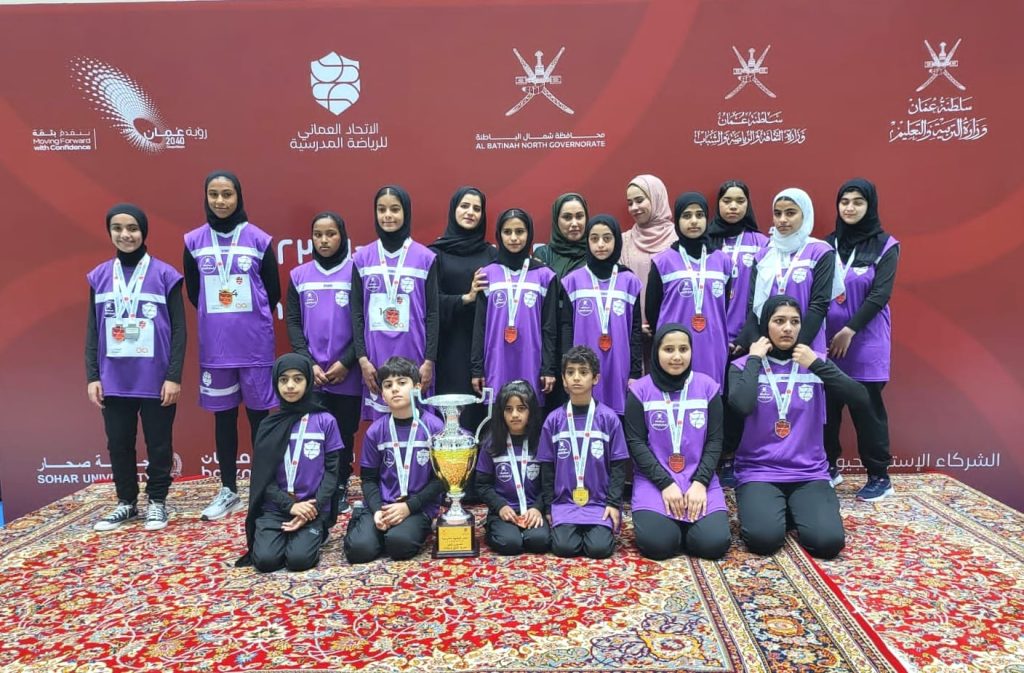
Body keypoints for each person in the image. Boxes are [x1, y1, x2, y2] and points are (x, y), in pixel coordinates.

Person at [728, 296, 869, 559]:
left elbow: (860, 399)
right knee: (763, 540)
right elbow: (741, 406)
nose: (788, 328)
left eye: (794, 322)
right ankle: (779, 508)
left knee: (828, 544)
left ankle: (793, 508)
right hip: (760, 471)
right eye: (779, 321)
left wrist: (816, 364)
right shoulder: (743, 366)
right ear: (765, 325)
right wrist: (755, 358)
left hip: (808, 472)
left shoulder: (814, 363)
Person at [183, 171, 279, 521]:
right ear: (205, 197)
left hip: (254, 347)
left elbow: (272, 291)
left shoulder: (259, 240)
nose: (220, 201)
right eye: (214, 194)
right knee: (224, 419)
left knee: (259, 420)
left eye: (227, 194)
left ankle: (264, 488)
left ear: (239, 196)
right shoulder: (193, 241)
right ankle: (228, 490)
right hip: (217, 349)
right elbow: (194, 293)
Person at [87, 203, 185, 532]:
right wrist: (92, 376)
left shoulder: (166, 275)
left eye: (132, 228)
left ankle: (157, 501)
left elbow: (180, 330)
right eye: (117, 228)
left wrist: (174, 376)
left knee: (159, 443)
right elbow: (92, 330)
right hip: (114, 377)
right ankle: (126, 502)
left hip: (155, 377)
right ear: (109, 232)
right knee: (118, 442)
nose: (125, 235)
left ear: (144, 231)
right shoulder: (99, 276)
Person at [625, 324, 731, 560]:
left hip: (698, 477)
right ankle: (672, 527)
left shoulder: (708, 388)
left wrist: (700, 483)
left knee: (712, 545)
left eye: (683, 349)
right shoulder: (639, 391)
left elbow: (715, 440)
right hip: (655, 480)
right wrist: (665, 484)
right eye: (668, 349)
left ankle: (690, 527)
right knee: (659, 545)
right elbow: (635, 443)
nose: (676, 357)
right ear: (656, 352)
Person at [824, 179, 899, 500]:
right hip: (827, 343)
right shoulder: (827, 245)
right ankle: (828, 467)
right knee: (826, 412)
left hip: (865, 343)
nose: (850, 207)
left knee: (867, 412)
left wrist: (850, 330)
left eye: (858, 202)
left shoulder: (886, 245)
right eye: (845, 202)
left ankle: (879, 476)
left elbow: (880, 294)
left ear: (870, 205)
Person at [236, 354, 341, 572]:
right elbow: (263, 478)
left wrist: (313, 508)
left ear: (308, 382)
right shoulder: (269, 425)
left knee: (299, 560)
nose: (290, 386)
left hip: (312, 508)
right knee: (265, 561)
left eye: (298, 379)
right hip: (275, 508)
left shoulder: (325, 421)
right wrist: (290, 506)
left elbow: (332, 472)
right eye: (283, 380)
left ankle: (318, 532)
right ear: (276, 383)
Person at [285, 211, 360, 517]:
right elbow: (292, 321)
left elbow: (363, 322)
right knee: (315, 431)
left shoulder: (356, 271)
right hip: (313, 373)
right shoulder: (299, 275)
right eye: (318, 235)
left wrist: (347, 361)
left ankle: (340, 485)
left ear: (342, 236)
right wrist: (308, 363)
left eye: (331, 234)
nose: (324, 240)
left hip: (347, 370)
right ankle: (316, 486)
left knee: (343, 431)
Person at [343, 356, 445, 563]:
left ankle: (405, 530)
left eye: (402, 382)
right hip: (383, 504)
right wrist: (376, 511)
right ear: (382, 394)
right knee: (359, 551)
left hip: (418, 506)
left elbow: (441, 480)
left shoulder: (434, 427)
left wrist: (409, 507)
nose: (395, 389)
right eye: (388, 385)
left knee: (399, 545)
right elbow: (368, 479)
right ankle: (364, 522)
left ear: (417, 387)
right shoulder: (375, 431)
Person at [351, 185, 439, 420]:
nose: (388, 215)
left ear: (406, 212)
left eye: (394, 209)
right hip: (375, 356)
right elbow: (356, 313)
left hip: (415, 353)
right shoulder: (361, 258)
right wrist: (362, 360)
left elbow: (433, 313)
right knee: (382, 426)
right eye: (382, 210)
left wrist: (429, 361)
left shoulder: (425, 258)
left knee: (418, 423)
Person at [537, 346, 629, 559]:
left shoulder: (609, 419)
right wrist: (550, 507)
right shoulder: (554, 420)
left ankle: (595, 530)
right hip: (565, 503)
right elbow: (547, 467)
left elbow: (618, 466)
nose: (576, 377)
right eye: (570, 372)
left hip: (599, 503)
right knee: (564, 548)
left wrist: (613, 503)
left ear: (595, 378)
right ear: (563, 379)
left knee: (600, 549)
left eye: (583, 372)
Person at [707, 180, 769, 488]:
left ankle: (732, 457)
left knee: (737, 401)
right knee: (710, 399)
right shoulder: (706, 242)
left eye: (740, 201)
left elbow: (764, 294)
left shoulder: (762, 243)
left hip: (746, 337)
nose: (733, 206)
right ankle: (709, 457)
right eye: (727, 200)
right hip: (709, 339)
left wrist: (745, 338)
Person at [471, 208, 559, 407]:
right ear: (499, 235)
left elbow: (549, 328)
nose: (513, 238)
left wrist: (548, 368)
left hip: (531, 360)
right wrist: (477, 369)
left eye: (520, 232)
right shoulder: (486, 274)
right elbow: (479, 325)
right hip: (496, 360)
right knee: (499, 414)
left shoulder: (545, 275)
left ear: (529, 234)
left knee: (528, 411)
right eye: (507, 232)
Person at [739, 188, 839, 358]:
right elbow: (753, 307)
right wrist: (758, 344)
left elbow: (819, 305)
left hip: (806, 347)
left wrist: (795, 348)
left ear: (805, 214)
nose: (782, 220)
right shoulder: (763, 255)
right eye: (777, 214)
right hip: (768, 348)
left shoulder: (821, 252)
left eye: (790, 213)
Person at [429, 186, 496, 435]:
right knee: (453, 421)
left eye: (477, 208)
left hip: (483, 348)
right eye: (464, 206)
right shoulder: (435, 254)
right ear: (453, 209)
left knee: (481, 417)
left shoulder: (492, 254)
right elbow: (428, 304)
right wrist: (465, 298)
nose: (470, 212)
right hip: (448, 348)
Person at [646, 192, 732, 387]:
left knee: (709, 395)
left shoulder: (723, 261)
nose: (694, 221)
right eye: (686, 215)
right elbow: (652, 311)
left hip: (713, 346)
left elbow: (724, 306)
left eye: (699, 215)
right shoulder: (662, 262)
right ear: (677, 220)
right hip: (674, 349)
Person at [560, 214, 643, 416]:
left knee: (617, 417)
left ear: (616, 241)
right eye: (594, 238)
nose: (600, 244)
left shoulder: (629, 280)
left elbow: (635, 330)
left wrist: (634, 371)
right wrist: (566, 367)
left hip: (619, 364)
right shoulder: (572, 281)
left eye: (607, 238)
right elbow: (566, 327)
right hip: (581, 367)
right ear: (587, 241)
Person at [476, 380, 550, 555]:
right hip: (504, 511)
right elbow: (482, 485)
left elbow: (549, 484)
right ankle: (492, 528)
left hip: (532, 509)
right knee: (510, 544)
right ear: (501, 412)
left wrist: (537, 508)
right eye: (508, 409)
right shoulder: (491, 443)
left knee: (539, 542)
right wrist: (500, 506)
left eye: (521, 408)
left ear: (531, 411)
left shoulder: (542, 442)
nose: (514, 415)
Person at [620, 175, 676, 332]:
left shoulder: (678, 239)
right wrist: (634, 324)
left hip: (673, 333)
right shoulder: (623, 241)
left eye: (639, 200)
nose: (634, 207)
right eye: (630, 203)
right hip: (633, 331)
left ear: (657, 198)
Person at [534, 192, 589, 279]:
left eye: (579, 216)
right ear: (556, 220)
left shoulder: (595, 253)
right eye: (567, 217)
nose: (574, 223)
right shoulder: (544, 254)